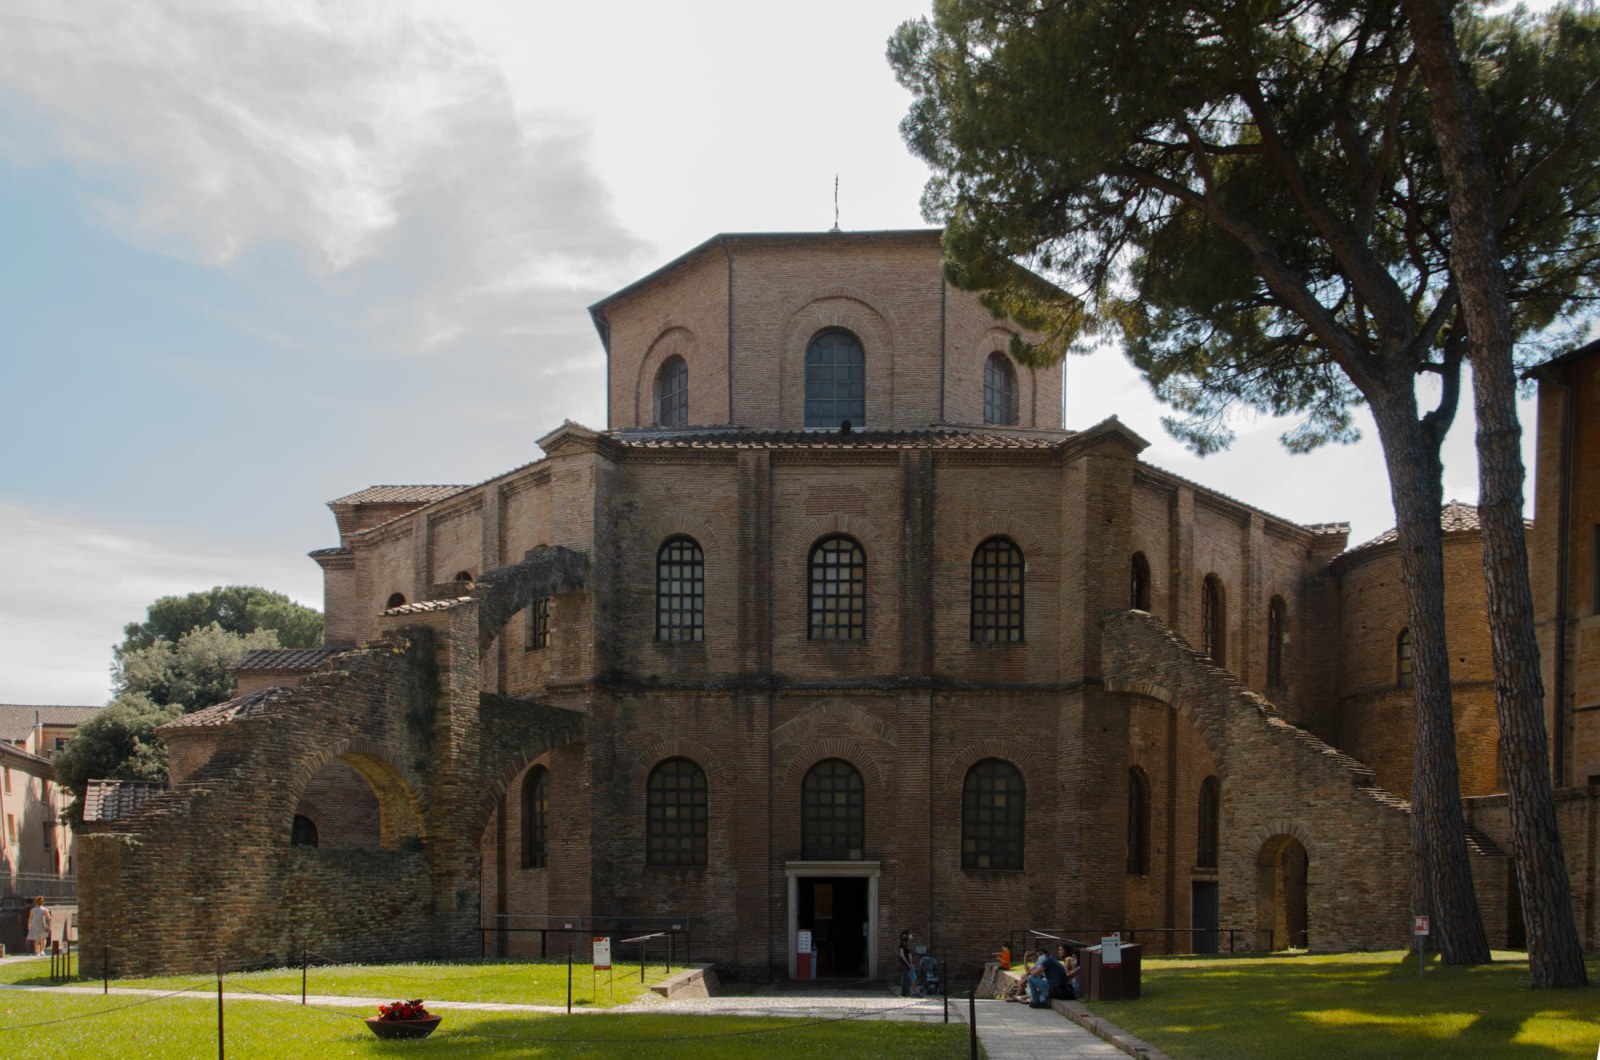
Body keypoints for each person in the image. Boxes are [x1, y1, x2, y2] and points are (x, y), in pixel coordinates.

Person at [898, 930, 917, 997]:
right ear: (906, 936)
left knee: (910, 978)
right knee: (906, 978)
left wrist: (911, 963)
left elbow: (909, 955)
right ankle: (906, 993)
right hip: (904, 964)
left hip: (909, 964)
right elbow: (901, 955)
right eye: (909, 934)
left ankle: (909, 993)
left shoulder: (907, 945)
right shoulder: (902, 945)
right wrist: (908, 964)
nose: (911, 936)